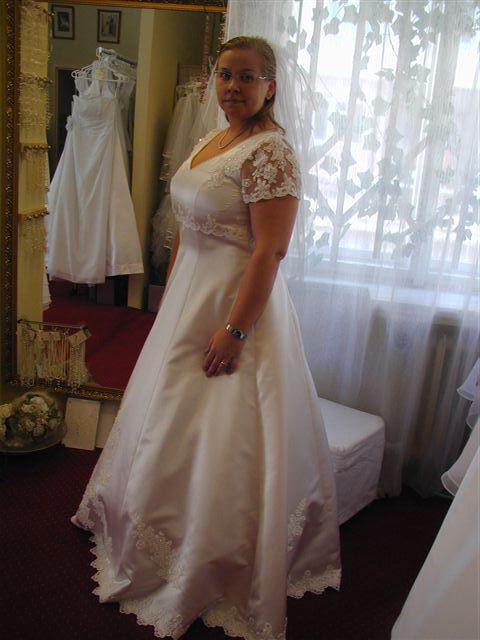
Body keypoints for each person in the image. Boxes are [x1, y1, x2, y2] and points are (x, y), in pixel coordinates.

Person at [71, 36, 341, 640]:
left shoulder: (272, 153)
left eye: (246, 77)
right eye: (224, 75)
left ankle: (209, 554)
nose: (232, 87)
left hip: (236, 306)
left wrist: (236, 330)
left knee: (223, 429)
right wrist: (171, 298)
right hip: (188, 301)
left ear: (270, 86)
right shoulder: (212, 140)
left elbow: (270, 251)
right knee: (165, 416)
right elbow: (187, 228)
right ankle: (149, 524)